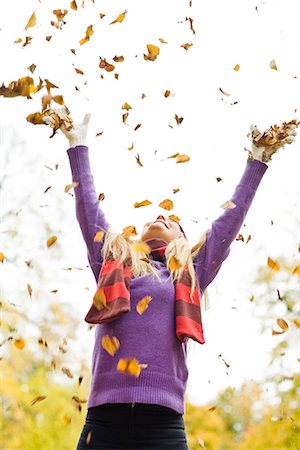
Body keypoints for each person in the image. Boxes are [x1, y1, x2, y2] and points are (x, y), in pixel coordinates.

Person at [43, 109, 296, 450]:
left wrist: (256, 162)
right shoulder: (113, 264)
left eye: (173, 220)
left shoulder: (188, 275)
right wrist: (77, 146)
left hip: (163, 423)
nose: (161, 215)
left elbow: (226, 226)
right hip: (103, 420)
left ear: (182, 240)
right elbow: (89, 210)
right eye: (156, 216)